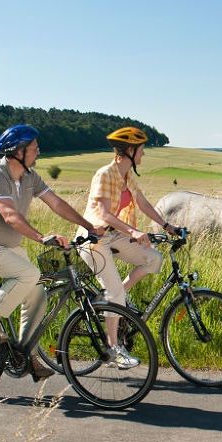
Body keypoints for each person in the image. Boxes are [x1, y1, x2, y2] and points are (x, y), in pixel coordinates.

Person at [0, 124, 98, 381]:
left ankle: (26, 354)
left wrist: (88, 226)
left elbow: (56, 202)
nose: (38, 152)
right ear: (18, 151)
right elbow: (9, 215)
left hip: (7, 246)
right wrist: (41, 237)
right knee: (30, 273)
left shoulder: (29, 177)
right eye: (34, 148)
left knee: (38, 295)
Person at [77, 126, 180, 368]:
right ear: (131, 150)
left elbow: (142, 202)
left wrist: (166, 225)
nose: (143, 155)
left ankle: (114, 301)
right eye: (141, 150)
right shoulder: (105, 174)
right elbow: (102, 213)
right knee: (116, 293)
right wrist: (133, 231)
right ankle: (113, 350)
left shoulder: (128, 176)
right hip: (93, 240)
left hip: (114, 237)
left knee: (153, 259)